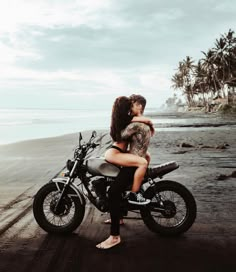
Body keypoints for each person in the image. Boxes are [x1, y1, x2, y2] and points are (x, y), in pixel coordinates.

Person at [96, 95, 154, 249]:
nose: (132, 108)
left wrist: (138, 120)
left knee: (114, 192)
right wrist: (143, 120)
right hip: (124, 156)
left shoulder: (132, 125)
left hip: (122, 157)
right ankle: (119, 217)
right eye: (131, 106)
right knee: (116, 187)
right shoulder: (138, 123)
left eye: (133, 105)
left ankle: (114, 237)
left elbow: (119, 135)